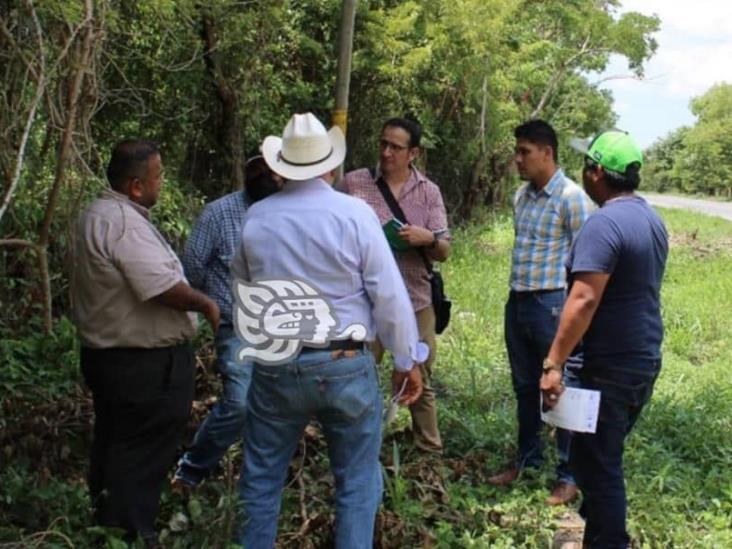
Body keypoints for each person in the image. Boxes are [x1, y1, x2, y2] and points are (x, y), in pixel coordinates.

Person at [231, 112, 426, 548]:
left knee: (261, 480)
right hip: (344, 361)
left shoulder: (257, 218)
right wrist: (405, 359)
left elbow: (244, 292)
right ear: (331, 167)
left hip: (278, 361)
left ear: (282, 166)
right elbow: (389, 296)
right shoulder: (355, 215)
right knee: (356, 481)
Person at [71, 140, 220, 546]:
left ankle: (107, 521)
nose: (162, 182)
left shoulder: (97, 214)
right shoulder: (121, 223)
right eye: (158, 176)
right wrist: (206, 304)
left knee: (117, 443)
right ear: (136, 185)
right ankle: (130, 532)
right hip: (143, 364)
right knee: (141, 450)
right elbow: (158, 286)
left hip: (111, 358)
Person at [541, 130, 668, 547]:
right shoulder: (651, 219)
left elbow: (583, 300)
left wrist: (553, 363)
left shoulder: (604, 223)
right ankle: (600, 533)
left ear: (596, 172)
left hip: (609, 366)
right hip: (642, 359)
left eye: (586, 166)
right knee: (594, 455)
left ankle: (609, 541)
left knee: (600, 465)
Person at [489, 120, 592, 505]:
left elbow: (588, 265)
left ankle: (569, 475)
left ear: (547, 153)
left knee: (559, 387)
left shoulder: (571, 198)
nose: (517, 159)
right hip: (518, 302)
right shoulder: (522, 196)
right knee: (524, 388)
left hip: (552, 305)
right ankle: (528, 461)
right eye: (517, 151)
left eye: (524, 152)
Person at [340, 117, 450, 454]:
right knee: (356, 372)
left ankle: (428, 450)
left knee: (420, 375)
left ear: (413, 153)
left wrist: (426, 237)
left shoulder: (428, 192)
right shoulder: (354, 183)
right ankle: (355, 444)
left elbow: (444, 250)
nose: (386, 152)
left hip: (415, 297)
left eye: (396, 147)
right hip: (363, 299)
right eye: (383, 144)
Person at [172, 155, 283, 489]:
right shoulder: (219, 213)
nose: (267, 176)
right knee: (239, 403)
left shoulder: (288, 212)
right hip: (235, 325)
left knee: (274, 405)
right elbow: (192, 266)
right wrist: (215, 304)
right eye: (258, 169)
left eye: (274, 171)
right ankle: (191, 470)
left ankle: (260, 478)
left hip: (281, 327)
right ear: (247, 173)